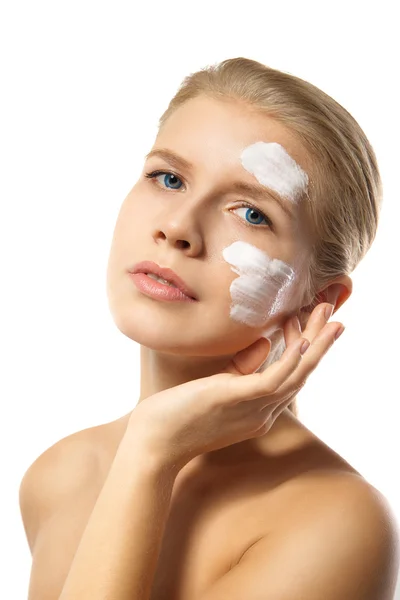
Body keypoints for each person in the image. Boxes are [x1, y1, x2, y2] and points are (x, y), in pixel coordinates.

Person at [19, 57, 399, 599]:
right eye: (168, 178)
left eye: (250, 213)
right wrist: (145, 453)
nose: (176, 227)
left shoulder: (337, 521)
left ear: (317, 300)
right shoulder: (58, 476)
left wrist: (151, 453)